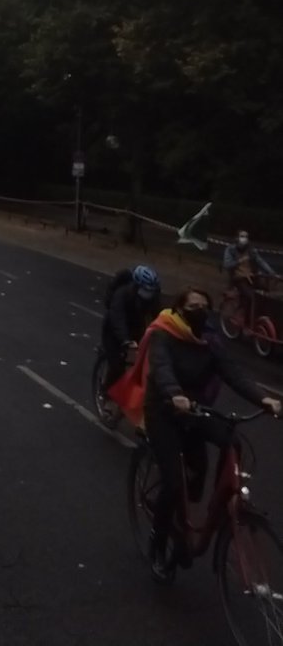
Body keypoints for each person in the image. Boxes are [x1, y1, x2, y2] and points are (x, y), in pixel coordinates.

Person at [109, 286, 280, 582]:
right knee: (174, 485)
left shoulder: (210, 342)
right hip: (164, 411)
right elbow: (161, 368)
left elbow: (233, 373)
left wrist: (263, 399)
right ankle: (158, 542)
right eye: (193, 305)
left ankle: (219, 501)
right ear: (179, 309)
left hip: (195, 411)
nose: (199, 309)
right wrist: (174, 393)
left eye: (204, 305)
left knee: (231, 440)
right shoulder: (164, 334)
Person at [100, 264, 162, 389]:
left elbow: (158, 314)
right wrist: (125, 340)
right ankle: (106, 391)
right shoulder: (122, 294)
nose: (148, 294)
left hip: (136, 324)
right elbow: (117, 317)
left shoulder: (153, 296)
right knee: (117, 365)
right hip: (113, 329)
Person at [223, 229, 276, 302]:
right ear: (236, 238)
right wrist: (239, 261)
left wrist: (271, 272)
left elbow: (260, 261)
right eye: (242, 236)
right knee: (251, 297)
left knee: (266, 294)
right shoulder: (230, 250)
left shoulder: (251, 250)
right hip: (239, 279)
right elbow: (227, 265)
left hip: (252, 277)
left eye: (246, 237)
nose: (244, 239)